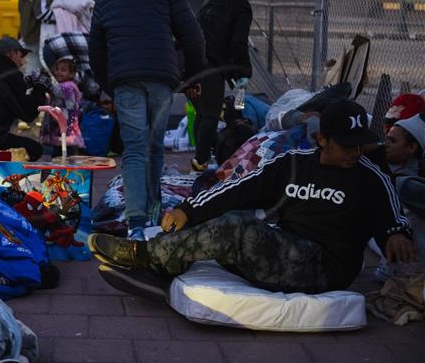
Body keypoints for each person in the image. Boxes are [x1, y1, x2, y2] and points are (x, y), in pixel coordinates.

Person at [89, 100, 416, 297]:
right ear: (322, 139)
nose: (355, 152)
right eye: (347, 145)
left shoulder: (368, 176)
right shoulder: (292, 164)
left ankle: (145, 256)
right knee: (229, 219)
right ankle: (162, 265)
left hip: (324, 269)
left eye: (360, 144)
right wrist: (189, 209)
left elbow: (393, 216)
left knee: (237, 228)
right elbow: (237, 188)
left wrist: (396, 233)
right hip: (285, 248)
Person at [89, 0, 206, 241]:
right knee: (154, 146)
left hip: (125, 80)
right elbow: (193, 36)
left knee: (134, 149)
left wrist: (109, 84)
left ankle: (136, 223)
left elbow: (96, 48)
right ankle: (153, 210)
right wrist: (193, 77)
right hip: (162, 78)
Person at [191, 0, 253, 172]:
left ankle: (200, 156)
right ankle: (200, 163)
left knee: (202, 111)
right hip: (212, 65)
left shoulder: (212, 3)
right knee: (210, 113)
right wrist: (243, 73)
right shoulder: (242, 7)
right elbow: (238, 43)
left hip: (192, 63)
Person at [19, 0, 61, 75]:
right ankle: (32, 93)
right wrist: (62, 16)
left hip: (27, 33)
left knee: (31, 68)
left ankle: (31, 92)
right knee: (37, 71)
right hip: (38, 36)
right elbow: (42, 13)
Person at [40, 58, 85, 158]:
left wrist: (45, 82)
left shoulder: (69, 86)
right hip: (58, 128)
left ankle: (70, 172)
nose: (58, 72)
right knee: (58, 155)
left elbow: (58, 91)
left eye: (63, 70)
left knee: (68, 156)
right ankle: (59, 172)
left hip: (66, 129)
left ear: (71, 74)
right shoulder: (61, 85)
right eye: (57, 69)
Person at [386, 113, 425, 179]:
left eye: (392, 141)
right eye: (386, 139)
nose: (385, 144)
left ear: (411, 147)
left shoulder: (408, 185)